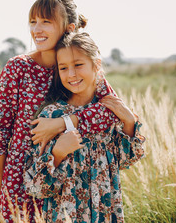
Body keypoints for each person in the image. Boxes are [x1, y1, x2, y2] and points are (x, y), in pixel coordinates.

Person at [0, 0, 88, 222]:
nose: (36, 29)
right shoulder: (17, 68)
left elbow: (105, 111)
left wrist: (61, 124)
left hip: (68, 183)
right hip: (20, 182)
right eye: (33, 21)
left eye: (46, 21)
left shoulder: (79, 68)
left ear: (69, 27)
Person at [24, 32, 146, 222]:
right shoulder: (52, 116)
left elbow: (126, 160)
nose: (71, 74)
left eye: (78, 65)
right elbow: (37, 188)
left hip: (105, 212)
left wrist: (129, 122)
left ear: (96, 65)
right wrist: (58, 153)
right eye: (63, 68)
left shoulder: (109, 111)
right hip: (65, 216)